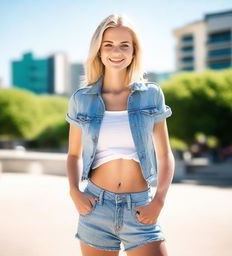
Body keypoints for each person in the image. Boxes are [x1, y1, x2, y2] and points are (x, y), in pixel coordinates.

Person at [65, 13, 175, 256]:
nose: (117, 51)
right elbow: (73, 155)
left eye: (124, 45)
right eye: (109, 45)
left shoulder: (151, 95)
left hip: (140, 208)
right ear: (99, 51)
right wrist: (75, 192)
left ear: (134, 51)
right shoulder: (81, 100)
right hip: (95, 207)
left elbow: (165, 154)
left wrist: (158, 201)